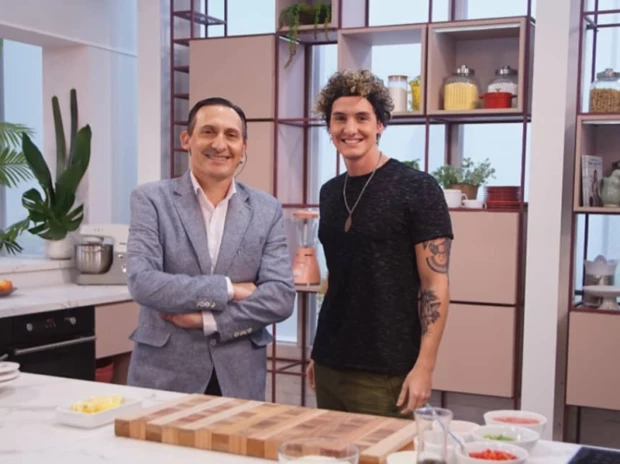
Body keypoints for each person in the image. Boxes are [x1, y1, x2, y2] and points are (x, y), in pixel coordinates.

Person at [126, 97, 296, 401]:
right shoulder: (151, 200)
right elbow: (143, 283)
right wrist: (230, 289)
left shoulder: (266, 209)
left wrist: (209, 321)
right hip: (165, 377)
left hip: (239, 379)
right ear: (186, 139)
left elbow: (280, 298)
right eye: (208, 132)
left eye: (231, 135)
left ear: (243, 146)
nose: (220, 144)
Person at [306, 69, 454, 417]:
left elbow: (435, 284)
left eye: (362, 117)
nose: (350, 128)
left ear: (380, 124)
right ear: (329, 127)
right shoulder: (330, 192)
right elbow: (337, 279)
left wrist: (425, 366)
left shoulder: (417, 188)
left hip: (386, 370)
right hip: (329, 363)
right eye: (339, 118)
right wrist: (318, 351)